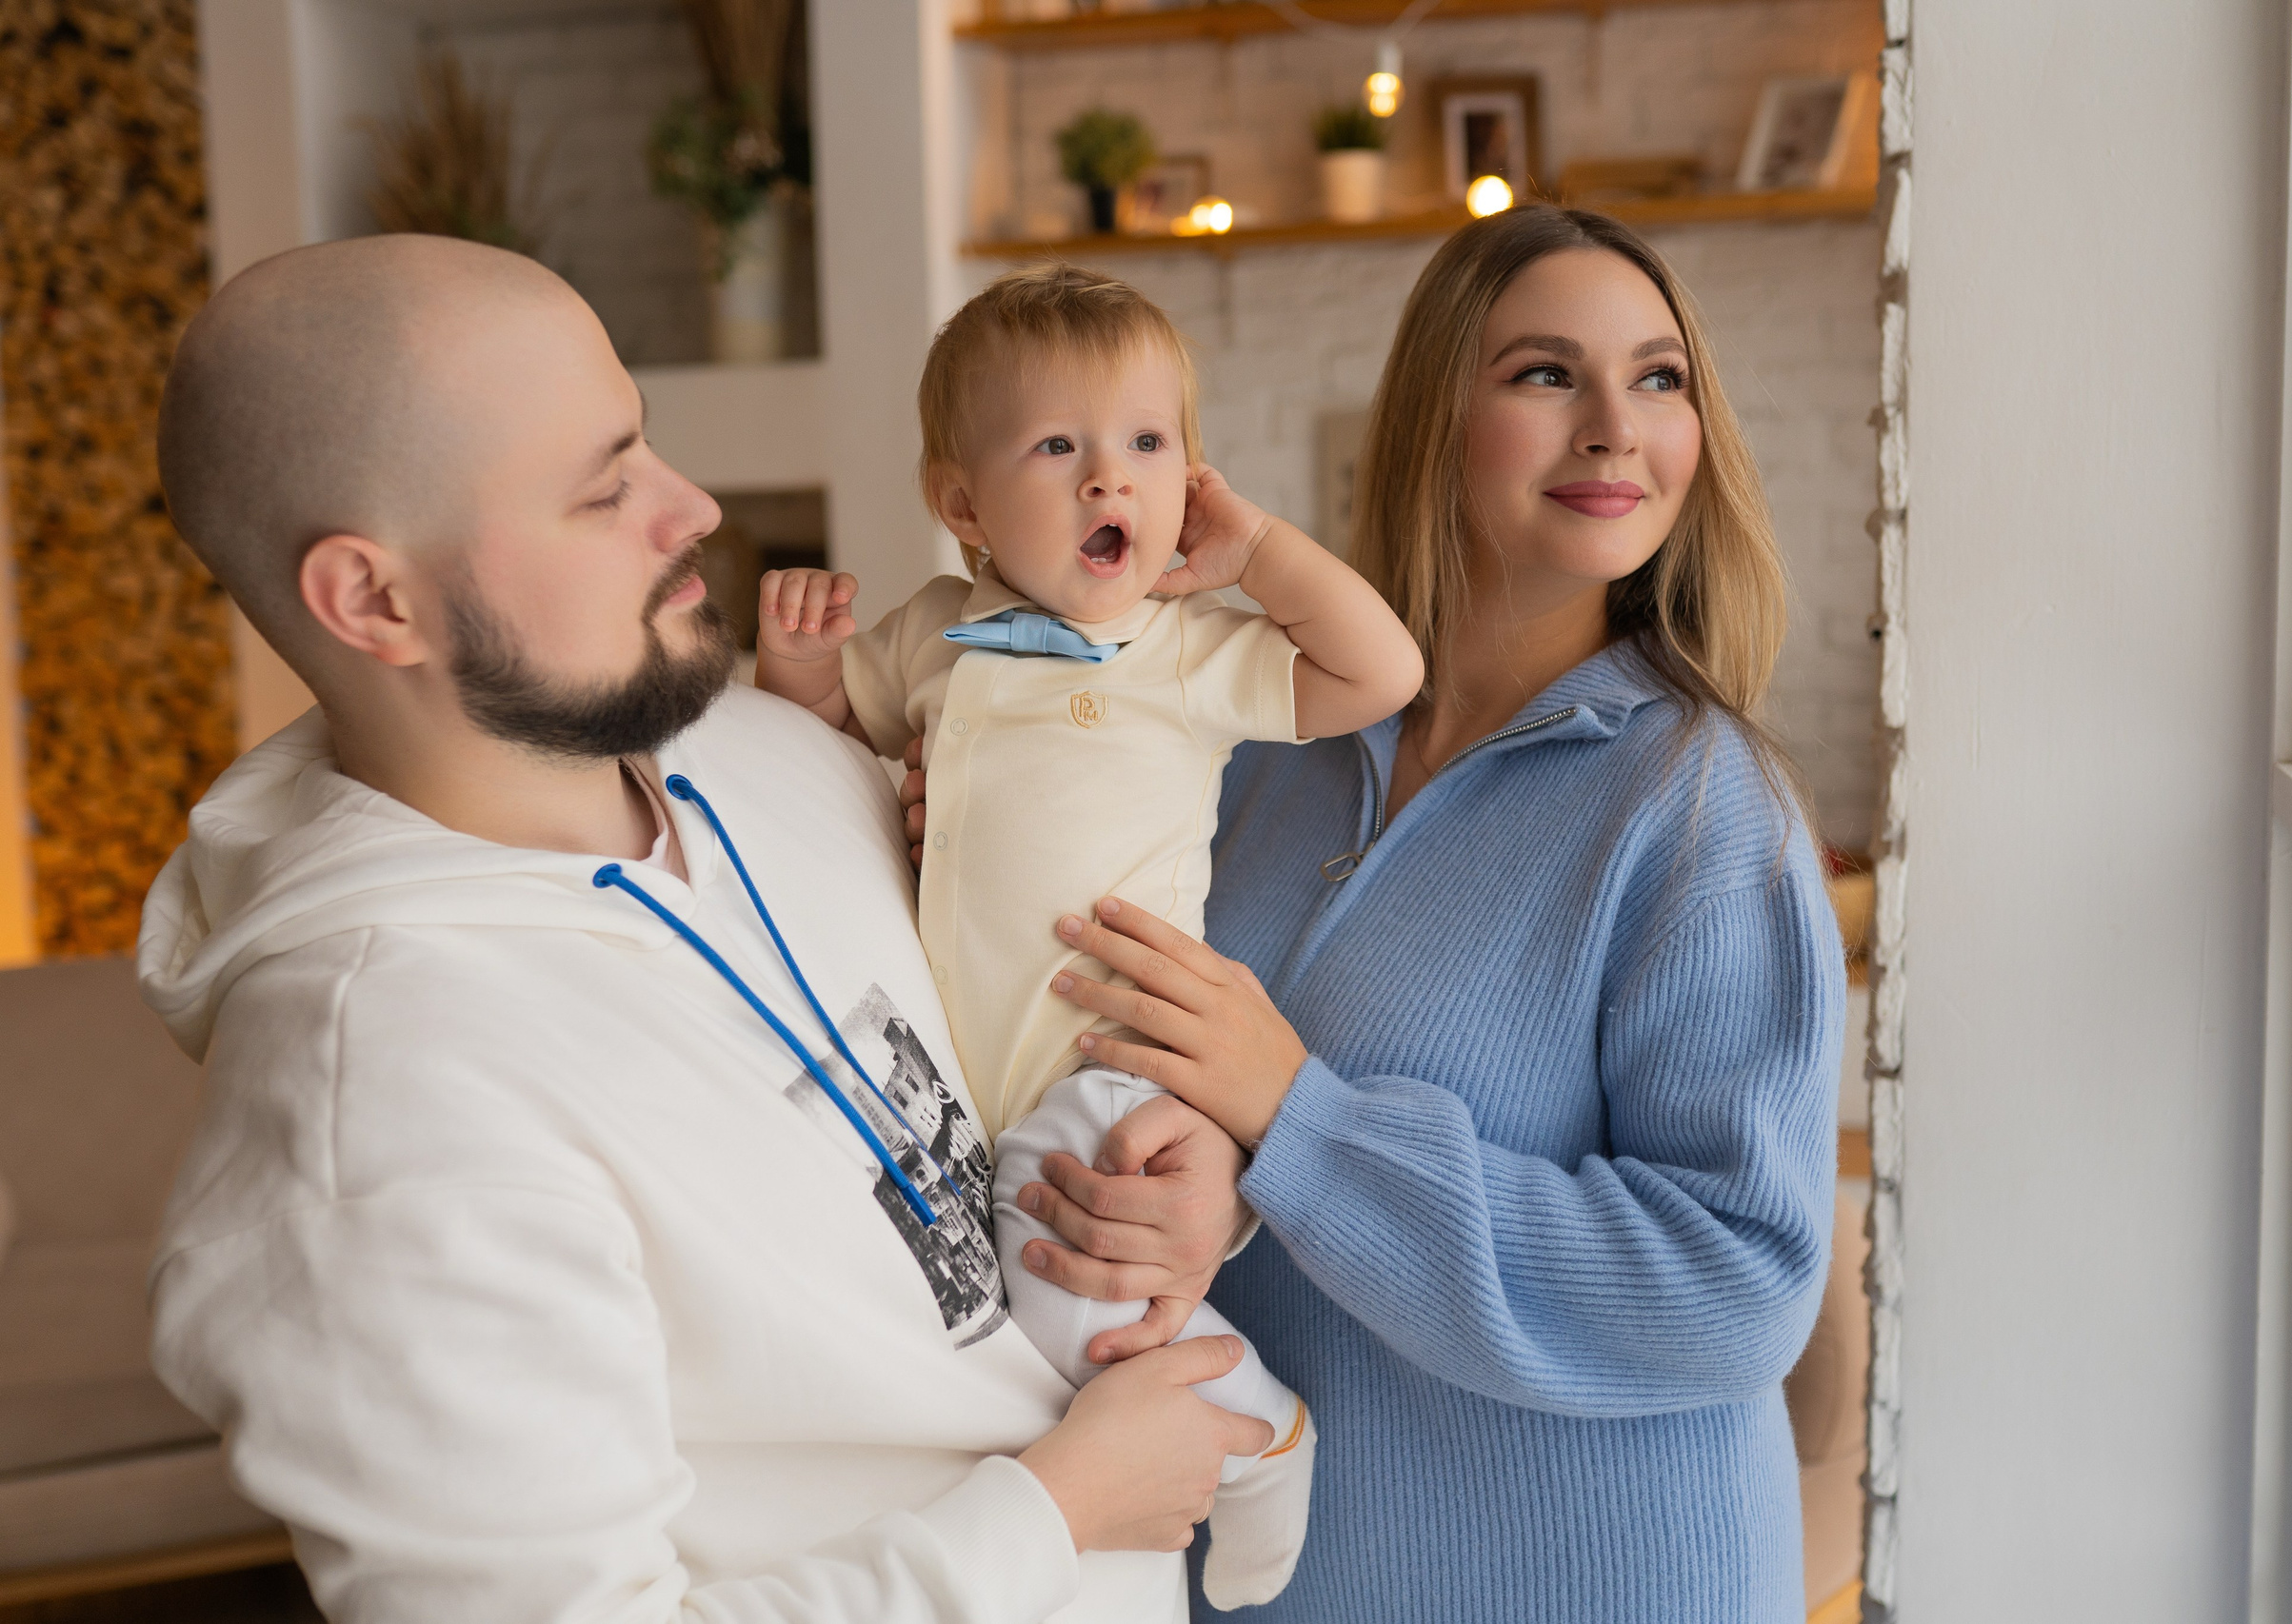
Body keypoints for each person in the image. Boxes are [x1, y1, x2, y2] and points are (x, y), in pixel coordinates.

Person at [136, 234, 1274, 1624]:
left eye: (647, 445)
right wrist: (1055, 1513)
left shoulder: (768, 752)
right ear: (374, 598)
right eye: (603, 486)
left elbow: (1005, 1078)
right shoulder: (371, 1106)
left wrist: (1189, 1181)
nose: (691, 508)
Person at [976, 205, 1844, 1620]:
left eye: (1661, 377)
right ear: (1439, 414)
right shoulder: (1268, 740)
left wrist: (1300, 1119)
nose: (1617, 429)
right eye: (1547, 374)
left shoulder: (1700, 807)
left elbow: (1737, 1279)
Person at [751, 265, 1423, 1611]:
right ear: (961, 503)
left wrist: (1263, 554)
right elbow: (831, 760)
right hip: (977, 1074)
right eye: (1058, 447)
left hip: (1121, 1056)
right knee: (1008, 1295)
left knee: (1064, 1286)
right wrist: (799, 674)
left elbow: (1380, 672)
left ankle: (1256, 1432)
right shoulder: (941, 638)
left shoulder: (1186, 648)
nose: (1109, 481)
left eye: (1147, 445)